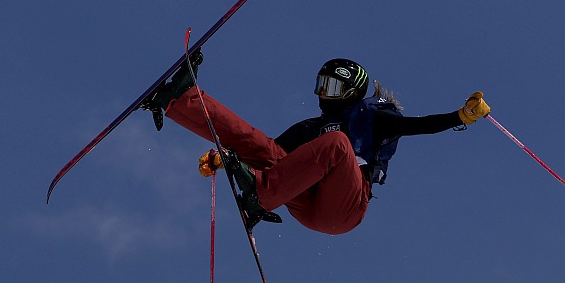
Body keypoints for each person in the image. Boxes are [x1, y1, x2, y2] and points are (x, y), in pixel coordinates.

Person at [140, 55, 490, 234]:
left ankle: (258, 197)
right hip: (303, 198)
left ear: (352, 92)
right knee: (260, 144)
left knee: (337, 143)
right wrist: (224, 160)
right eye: (322, 85)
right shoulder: (312, 128)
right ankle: (181, 101)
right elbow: (263, 153)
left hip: (343, 208)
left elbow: (421, 126)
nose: (325, 95)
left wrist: (461, 116)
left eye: (334, 89)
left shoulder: (373, 118)